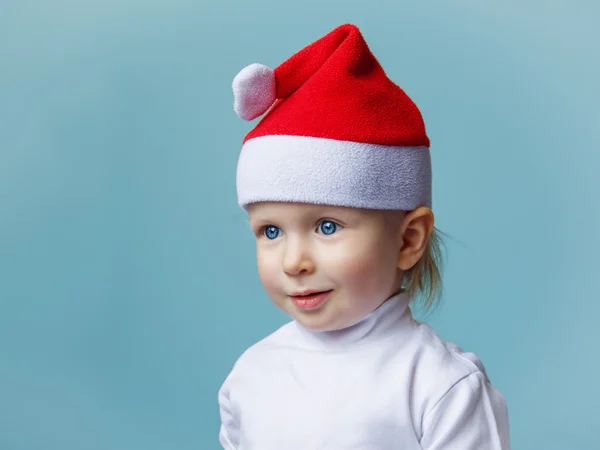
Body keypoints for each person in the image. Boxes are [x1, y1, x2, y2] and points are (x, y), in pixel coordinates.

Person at [218, 23, 510, 449]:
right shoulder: (250, 377)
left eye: (327, 226)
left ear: (408, 240)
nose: (293, 261)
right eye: (271, 231)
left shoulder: (440, 386)